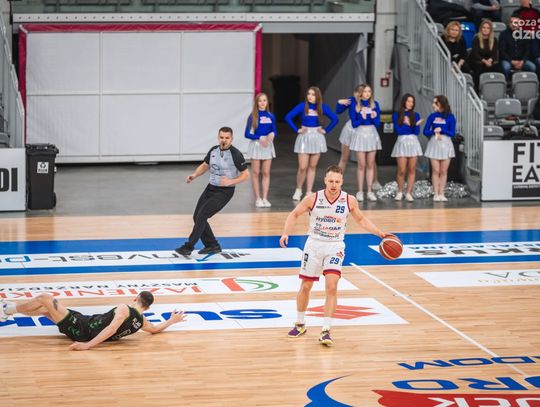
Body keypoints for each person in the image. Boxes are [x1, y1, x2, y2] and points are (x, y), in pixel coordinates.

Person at [280, 165, 389, 347]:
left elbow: (361, 220)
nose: (333, 184)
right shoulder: (313, 198)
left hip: (335, 246)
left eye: (337, 181)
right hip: (314, 245)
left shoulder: (349, 200)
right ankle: (300, 323)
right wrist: (285, 233)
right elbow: (294, 214)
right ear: (325, 180)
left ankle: (326, 330)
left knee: (332, 287)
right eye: (330, 181)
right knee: (306, 286)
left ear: (342, 182)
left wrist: (379, 233)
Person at [0, 292, 186, 350]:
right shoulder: (141, 322)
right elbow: (155, 329)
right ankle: (8, 310)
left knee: (45, 299)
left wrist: (87, 345)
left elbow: (111, 329)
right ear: (148, 307)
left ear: (135, 298)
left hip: (81, 328)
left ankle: (7, 309)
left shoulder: (125, 309)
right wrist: (171, 321)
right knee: (44, 308)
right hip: (82, 322)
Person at [175, 127, 249, 255]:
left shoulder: (236, 154)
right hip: (211, 188)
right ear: (218, 137)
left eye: (227, 138)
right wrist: (194, 175)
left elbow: (246, 174)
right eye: (221, 137)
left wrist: (231, 181)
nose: (224, 140)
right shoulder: (213, 150)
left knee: (202, 215)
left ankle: (188, 247)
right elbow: (205, 165)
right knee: (197, 216)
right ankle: (212, 245)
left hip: (224, 192)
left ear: (231, 139)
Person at [285, 86, 338, 201]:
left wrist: (326, 130)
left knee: (312, 166)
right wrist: (297, 129)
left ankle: (309, 191)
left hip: (317, 137)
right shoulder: (302, 106)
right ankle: (298, 189)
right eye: (309, 94)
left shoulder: (322, 107)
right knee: (302, 167)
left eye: (313, 94)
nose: (310, 96)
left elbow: (335, 119)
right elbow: (288, 117)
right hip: (304, 137)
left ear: (317, 96)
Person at [335, 87, 383, 190]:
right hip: (351, 130)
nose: (366, 93)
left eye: (368, 91)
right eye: (362, 91)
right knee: (344, 157)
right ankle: (337, 182)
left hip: (365, 131)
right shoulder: (352, 100)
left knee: (371, 160)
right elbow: (338, 111)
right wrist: (340, 103)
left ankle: (375, 181)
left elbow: (376, 120)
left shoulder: (372, 103)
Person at [348, 84, 381, 202]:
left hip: (371, 134)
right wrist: (362, 117)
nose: (367, 94)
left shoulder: (375, 104)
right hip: (360, 134)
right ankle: (360, 191)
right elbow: (354, 124)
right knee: (361, 165)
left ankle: (370, 191)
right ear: (360, 93)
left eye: (369, 91)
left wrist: (373, 117)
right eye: (365, 91)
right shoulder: (355, 105)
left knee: (370, 164)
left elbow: (378, 124)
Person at [245, 92, 277, 208]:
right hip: (257, 146)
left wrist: (272, 135)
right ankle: (258, 198)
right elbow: (247, 134)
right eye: (260, 101)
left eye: (264, 100)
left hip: (267, 146)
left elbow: (274, 131)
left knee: (266, 172)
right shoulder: (253, 116)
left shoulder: (271, 116)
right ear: (256, 103)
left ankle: (265, 198)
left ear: (267, 102)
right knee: (255, 173)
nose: (262, 103)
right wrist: (259, 137)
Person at [423, 95, 457, 202]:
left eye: (435, 103)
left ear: (441, 104)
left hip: (446, 144)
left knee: (443, 170)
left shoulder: (450, 117)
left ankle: (442, 193)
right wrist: (433, 131)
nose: (433, 105)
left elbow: (452, 133)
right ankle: (436, 193)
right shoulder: (432, 116)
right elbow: (425, 131)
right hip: (434, 144)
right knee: (435, 170)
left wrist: (442, 130)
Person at [391, 94, 424, 202]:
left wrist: (412, 124)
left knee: (411, 169)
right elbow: (399, 130)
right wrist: (410, 125)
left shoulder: (416, 115)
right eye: (409, 101)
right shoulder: (396, 115)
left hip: (413, 142)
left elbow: (416, 132)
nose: (411, 104)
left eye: (412, 102)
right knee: (401, 170)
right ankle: (400, 192)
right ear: (404, 102)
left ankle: (409, 192)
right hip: (402, 142)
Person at [499, 16, 536, 80]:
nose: (513, 25)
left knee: (532, 67)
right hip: (508, 60)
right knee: (506, 67)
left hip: (521, 60)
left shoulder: (524, 34)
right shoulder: (503, 34)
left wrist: (522, 61)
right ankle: (506, 83)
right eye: (511, 22)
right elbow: (502, 51)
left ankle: (525, 83)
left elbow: (527, 50)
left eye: (516, 22)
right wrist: (511, 61)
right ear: (509, 24)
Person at [468, 19, 500, 90]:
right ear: (481, 29)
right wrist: (485, 61)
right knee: (479, 66)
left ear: (490, 30)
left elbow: (495, 54)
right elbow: (475, 54)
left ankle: (492, 88)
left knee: (497, 66)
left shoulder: (494, 40)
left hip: (488, 60)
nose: (485, 29)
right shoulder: (476, 38)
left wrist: (490, 60)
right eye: (484, 27)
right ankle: (477, 89)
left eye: (488, 28)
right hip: (476, 60)